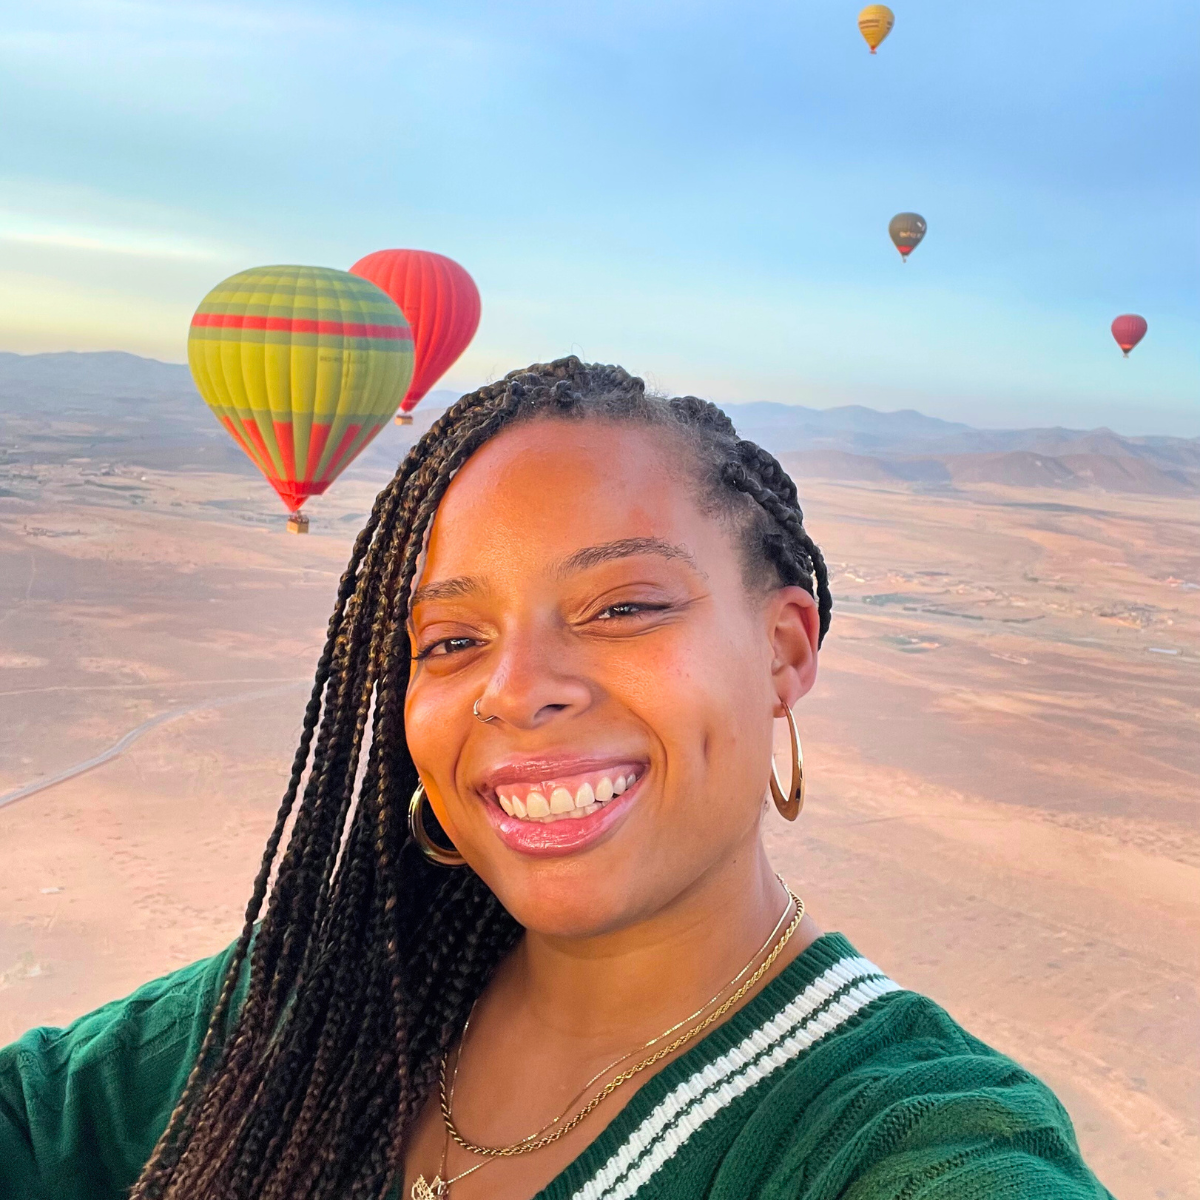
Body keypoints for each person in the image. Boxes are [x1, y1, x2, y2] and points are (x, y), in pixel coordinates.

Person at [0, 358, 1113, 1200]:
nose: (517, 689)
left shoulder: (908, 1141)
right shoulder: (313, 1005)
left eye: (624, 607)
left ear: (784, 651)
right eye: (448, 641)